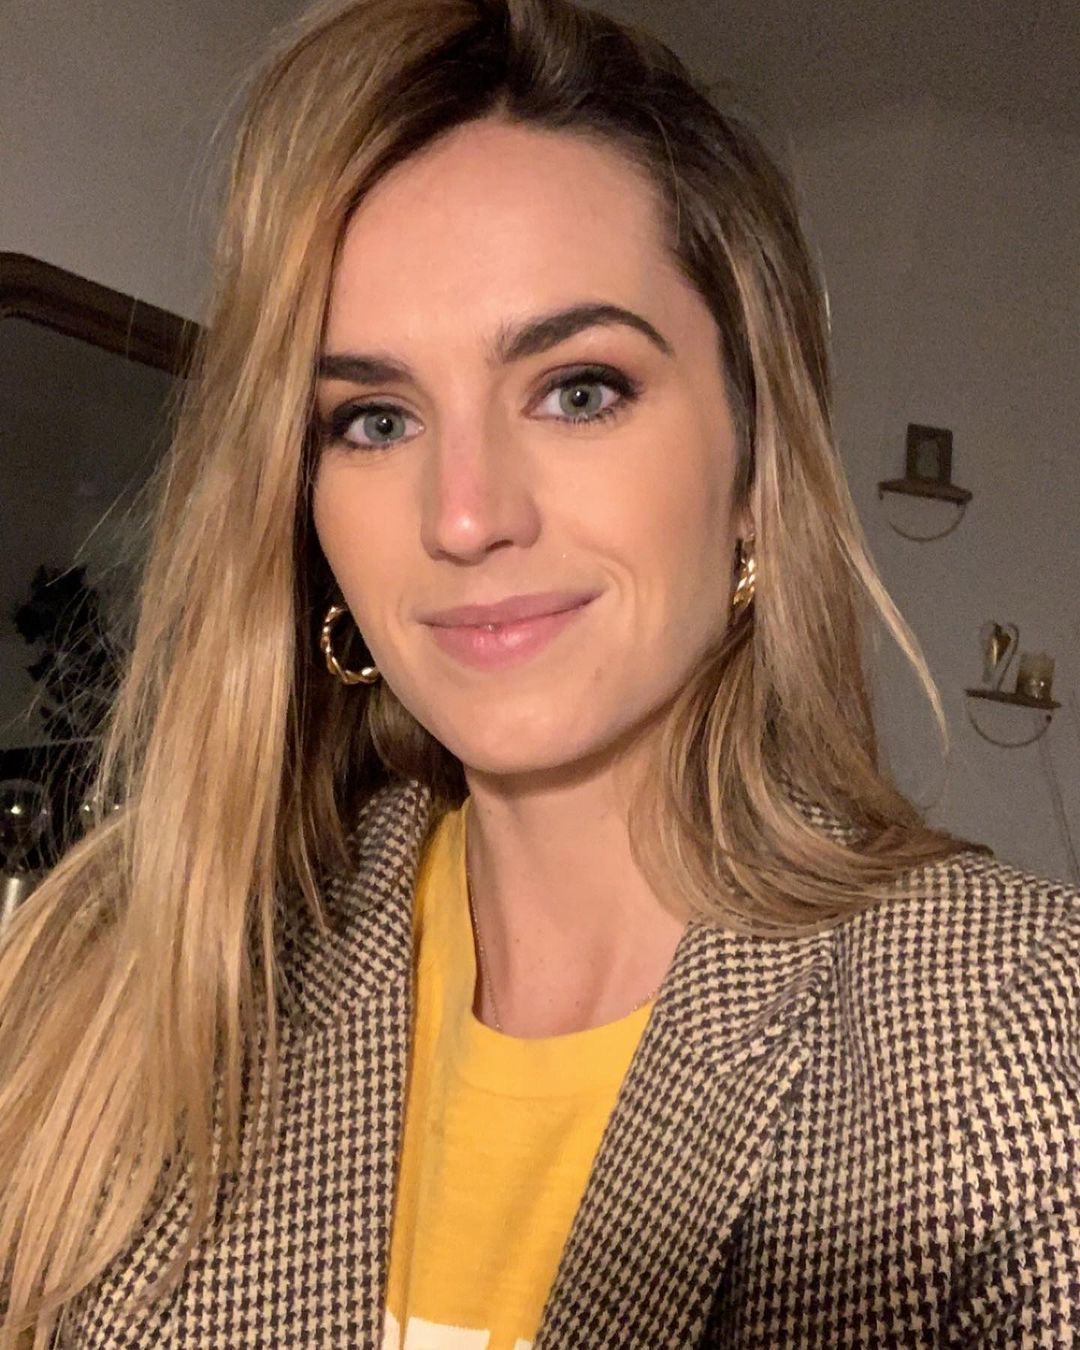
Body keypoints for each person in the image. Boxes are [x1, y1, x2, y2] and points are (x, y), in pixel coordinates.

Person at [2, 0, 1078, 1345]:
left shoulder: (1014, 1036)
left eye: (578, 389)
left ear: (755, 468)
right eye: (375, 419)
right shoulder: (127, 986)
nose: (465, 516)